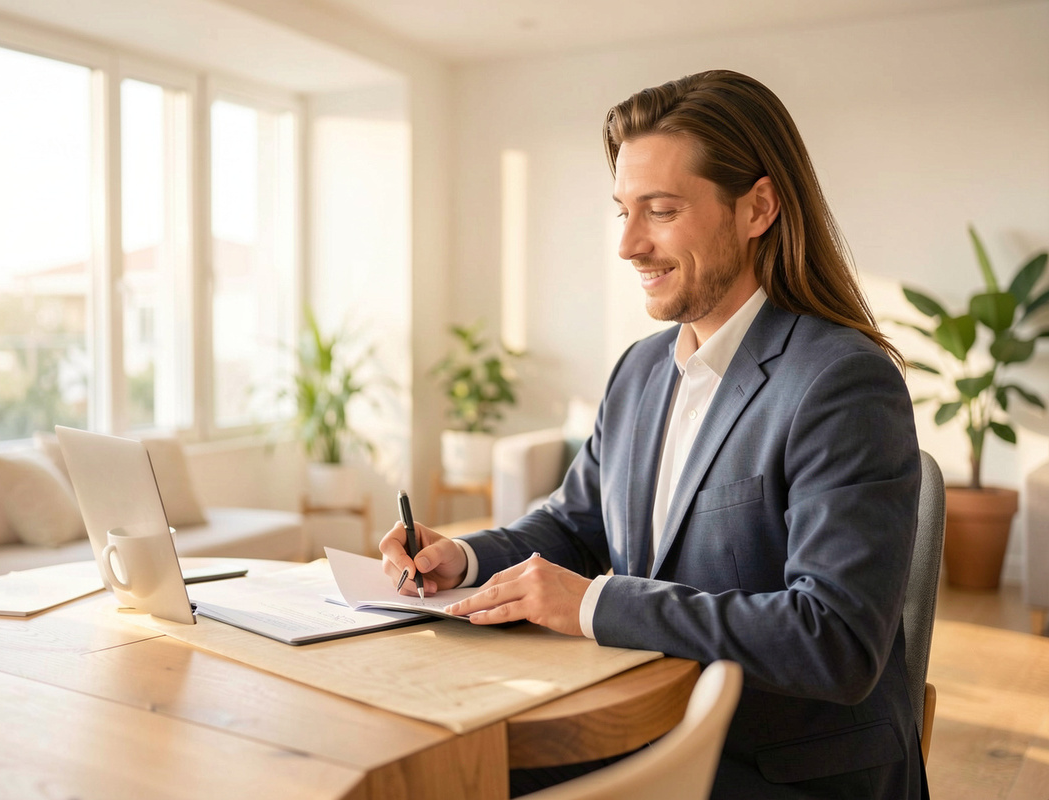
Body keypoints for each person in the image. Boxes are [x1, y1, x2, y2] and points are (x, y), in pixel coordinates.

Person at [380, 70, 925, 799]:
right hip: (646, 727)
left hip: (781, 771)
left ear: (758, 207)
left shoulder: (841, 383)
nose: (629, 245)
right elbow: (574, 525)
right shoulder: (640, 371)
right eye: (623, 212)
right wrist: (466, 558)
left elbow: (834, 639)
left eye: (661, 211)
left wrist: (594, 605)